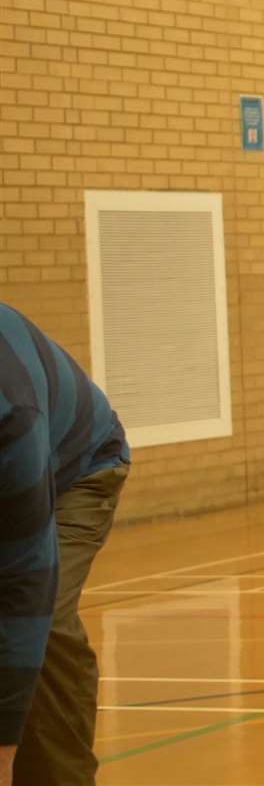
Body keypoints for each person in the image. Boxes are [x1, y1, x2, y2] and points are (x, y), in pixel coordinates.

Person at [0, 303, 131, 786]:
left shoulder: (12, 413)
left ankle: (62, 776)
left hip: (79, 468)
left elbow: (25, 579)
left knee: (44, 623)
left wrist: (3, 748)